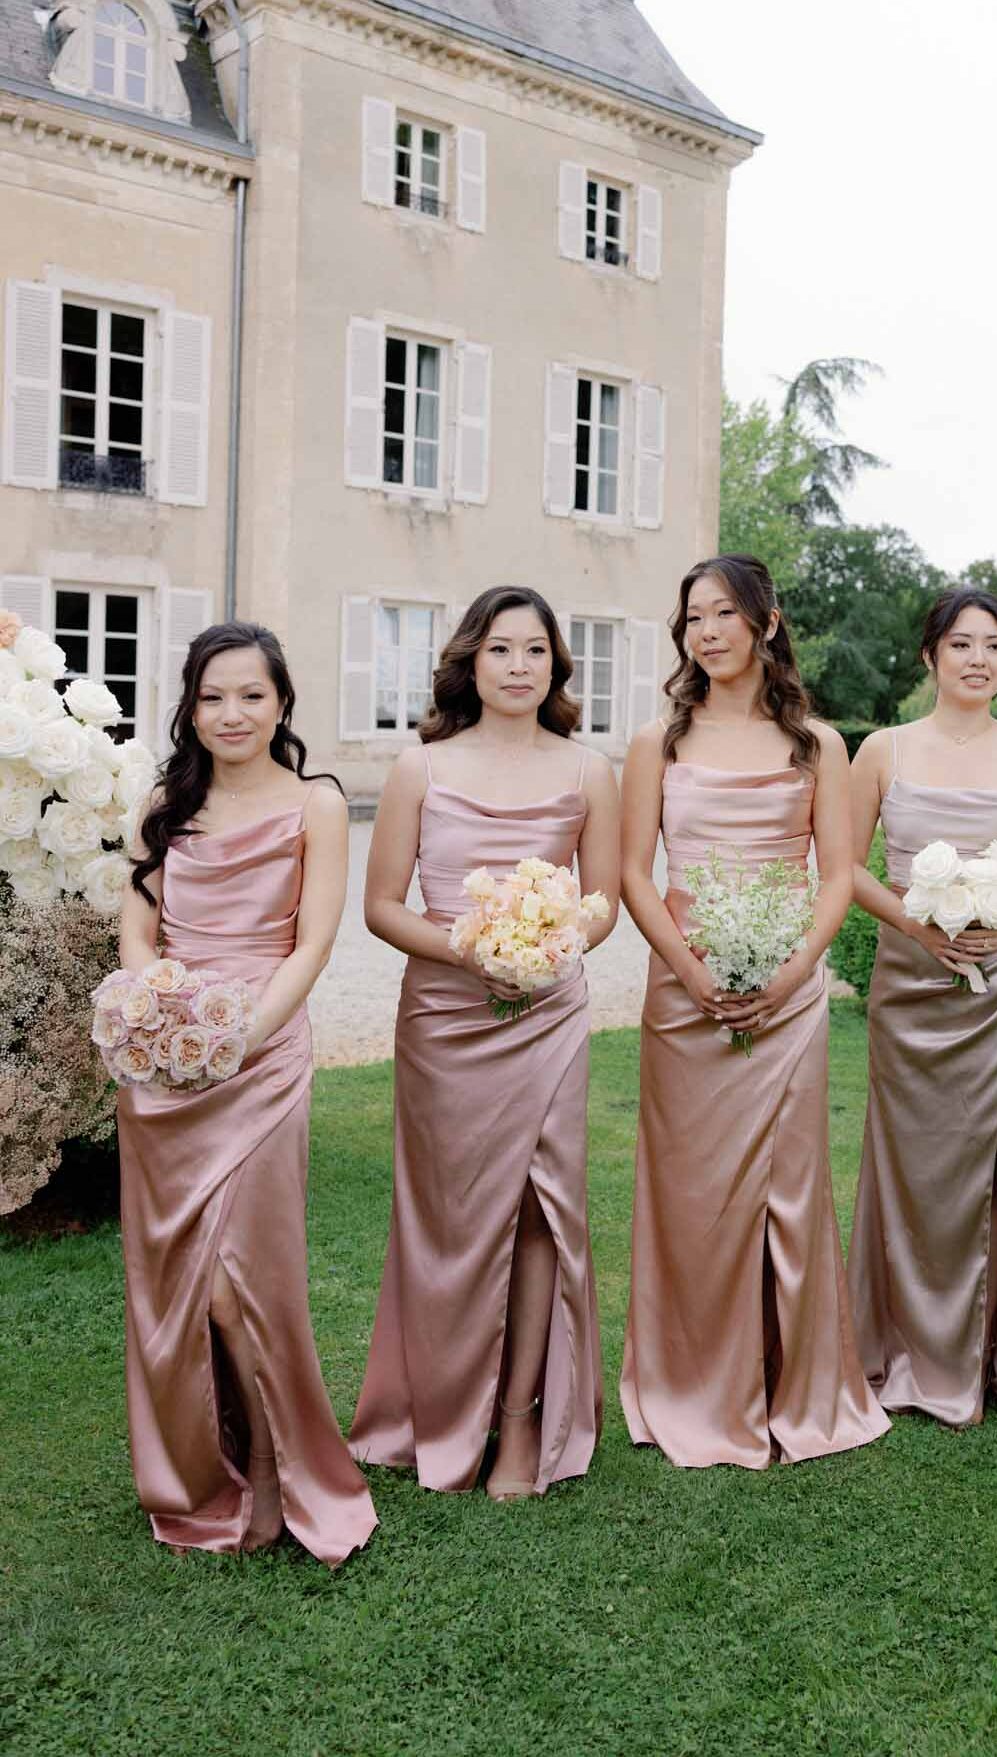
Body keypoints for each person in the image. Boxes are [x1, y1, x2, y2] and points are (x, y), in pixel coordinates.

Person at [618, 554, 890, 1469]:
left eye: (724, 612)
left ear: (766, 622)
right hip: (683, 990)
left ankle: (794, 1385)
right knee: (690, 1194)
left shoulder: (817, 744)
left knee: (790, 1189)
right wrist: (691, 971)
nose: (706, 630)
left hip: (787, 995)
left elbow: (839, 875)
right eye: (692, 615)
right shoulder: (658, 742)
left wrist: (792, 972)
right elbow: (629, 873)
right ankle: (694, 1384)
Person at [350, 587, 619, 1500]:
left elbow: (606, 901)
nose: (517, 666)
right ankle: (438, 1408)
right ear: (470, 660)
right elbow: (382, 904)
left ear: (556, 667)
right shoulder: (417, 767)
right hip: (444, 1017)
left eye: (535, 650)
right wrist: (473, 948)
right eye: (499, 649)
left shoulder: (589, 770)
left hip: (546, 1014)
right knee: (449, 1220)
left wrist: (546, 947)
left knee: (543, 1210)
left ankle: (517, 1423)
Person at [119, 621, 375, 1563]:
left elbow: (312, 944)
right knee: (179, 1279)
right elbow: (138, 934)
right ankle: (206, 1463)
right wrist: (160, 1019)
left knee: (243, 1283)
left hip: (260, 1060)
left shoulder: (315, 803)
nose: (232, 713)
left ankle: (274, 1469)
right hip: (166, 1069)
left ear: (281, 703)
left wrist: (238, 1038)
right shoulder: (163, 800)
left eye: (252, 695)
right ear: (190, 704)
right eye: (214, 696)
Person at [845, 588, 997, 1426]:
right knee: (907, 1156)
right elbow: (846, 865)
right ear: (929, 656)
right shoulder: (881, 749)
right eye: (960, 644)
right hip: (910, 978)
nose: (977, 659)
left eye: (993, 646)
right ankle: (893, 1342)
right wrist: (916, 916)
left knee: (995, 1150)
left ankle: (990, 1348)